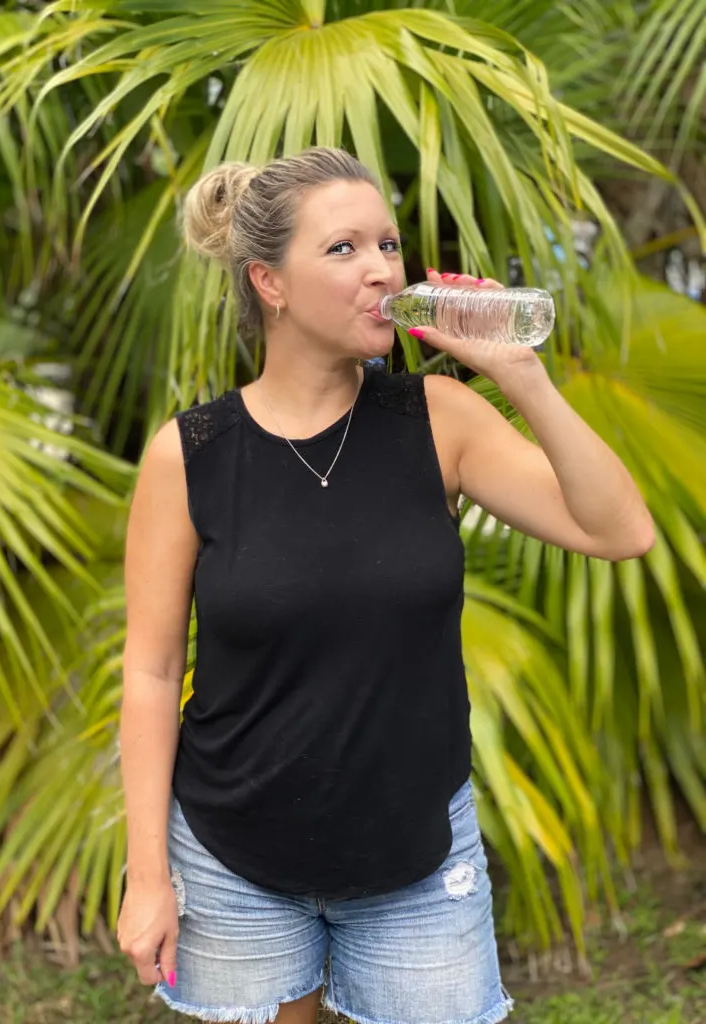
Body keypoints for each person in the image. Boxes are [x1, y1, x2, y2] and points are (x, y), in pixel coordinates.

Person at [117, 147, 654, 1024]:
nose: (381, 269)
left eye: (388, 244)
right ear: (269, 283)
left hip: (417, 858)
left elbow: (620, 530)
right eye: (343, 250)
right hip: (232, 853)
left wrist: (523, 376)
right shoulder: (192, 455)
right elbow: (147, 673)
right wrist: (149, 876)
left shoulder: (438, 421)